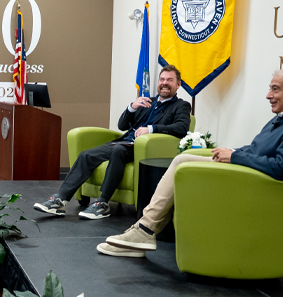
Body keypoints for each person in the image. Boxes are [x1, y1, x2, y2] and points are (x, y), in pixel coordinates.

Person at [99, 67, 283, 258]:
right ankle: (144, 229)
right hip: (249, 171)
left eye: (275, 89)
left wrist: (235, 157)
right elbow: (260, 149)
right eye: (270, 88)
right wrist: (232, 151)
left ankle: (145, 229)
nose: (268, 95)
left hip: (258, 184)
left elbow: (282, 168)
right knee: (182, 159)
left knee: (181, 164)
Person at [34, 65, 191, 220]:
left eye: (169, 80)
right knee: (86, 155)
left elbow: (181, 128)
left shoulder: (181, 106)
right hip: (124, 143)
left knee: (118, 152)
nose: (164, 83)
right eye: (162, 79)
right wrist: (132, 108)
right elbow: (122, 126)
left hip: (143, 148)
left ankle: (102, 203)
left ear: (178, 85)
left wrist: (151, 129)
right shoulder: (147, 102)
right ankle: (60, 200)